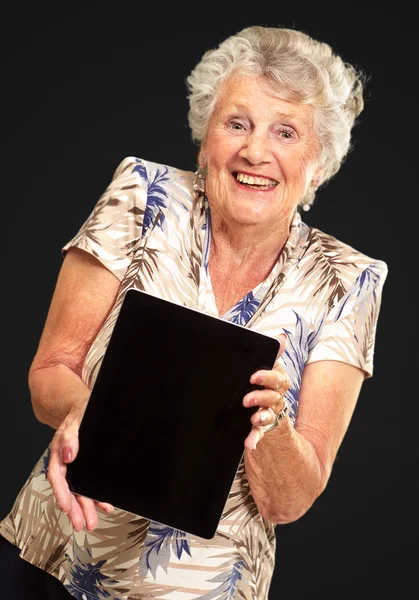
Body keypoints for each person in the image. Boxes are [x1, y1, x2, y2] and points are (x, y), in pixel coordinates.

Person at [0, 24, 387, 600]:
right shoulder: (144, 197)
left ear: (318, 163)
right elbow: (49, 374)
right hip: (56, 552)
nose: (255, 151)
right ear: (205, 137)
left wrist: (270, 426)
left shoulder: (348, 278)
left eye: (286, 132)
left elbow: (289, 501)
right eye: (237, 123)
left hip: (201, 589)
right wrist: (88, 415)